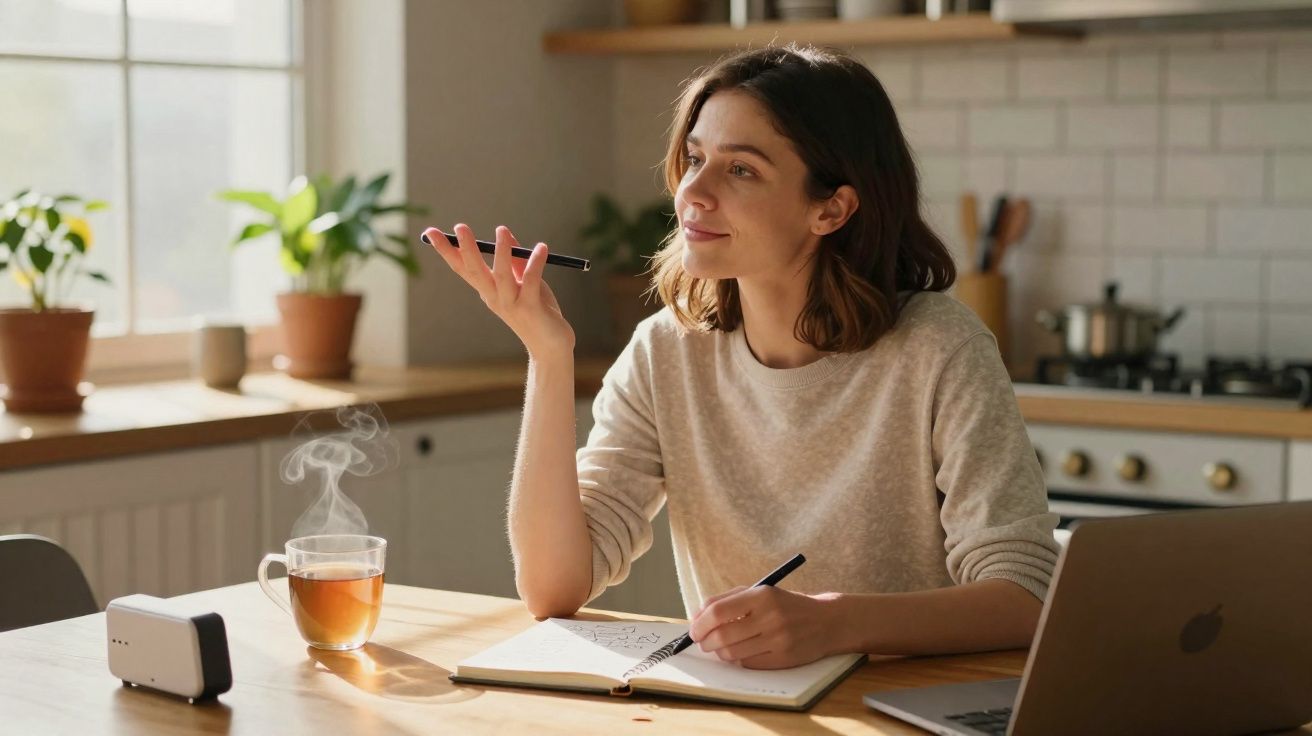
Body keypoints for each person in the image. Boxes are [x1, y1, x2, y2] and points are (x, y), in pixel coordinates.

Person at [424, 44, 1059, 671]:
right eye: (695, 159)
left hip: (898, 706)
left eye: (741, 170)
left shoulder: (940, 348)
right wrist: (547, 354)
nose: (693, 193)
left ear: (831, 208)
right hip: (744, 710)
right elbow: (553, 587)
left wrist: (835, 623)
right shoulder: (665, 352)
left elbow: (1024, 597)